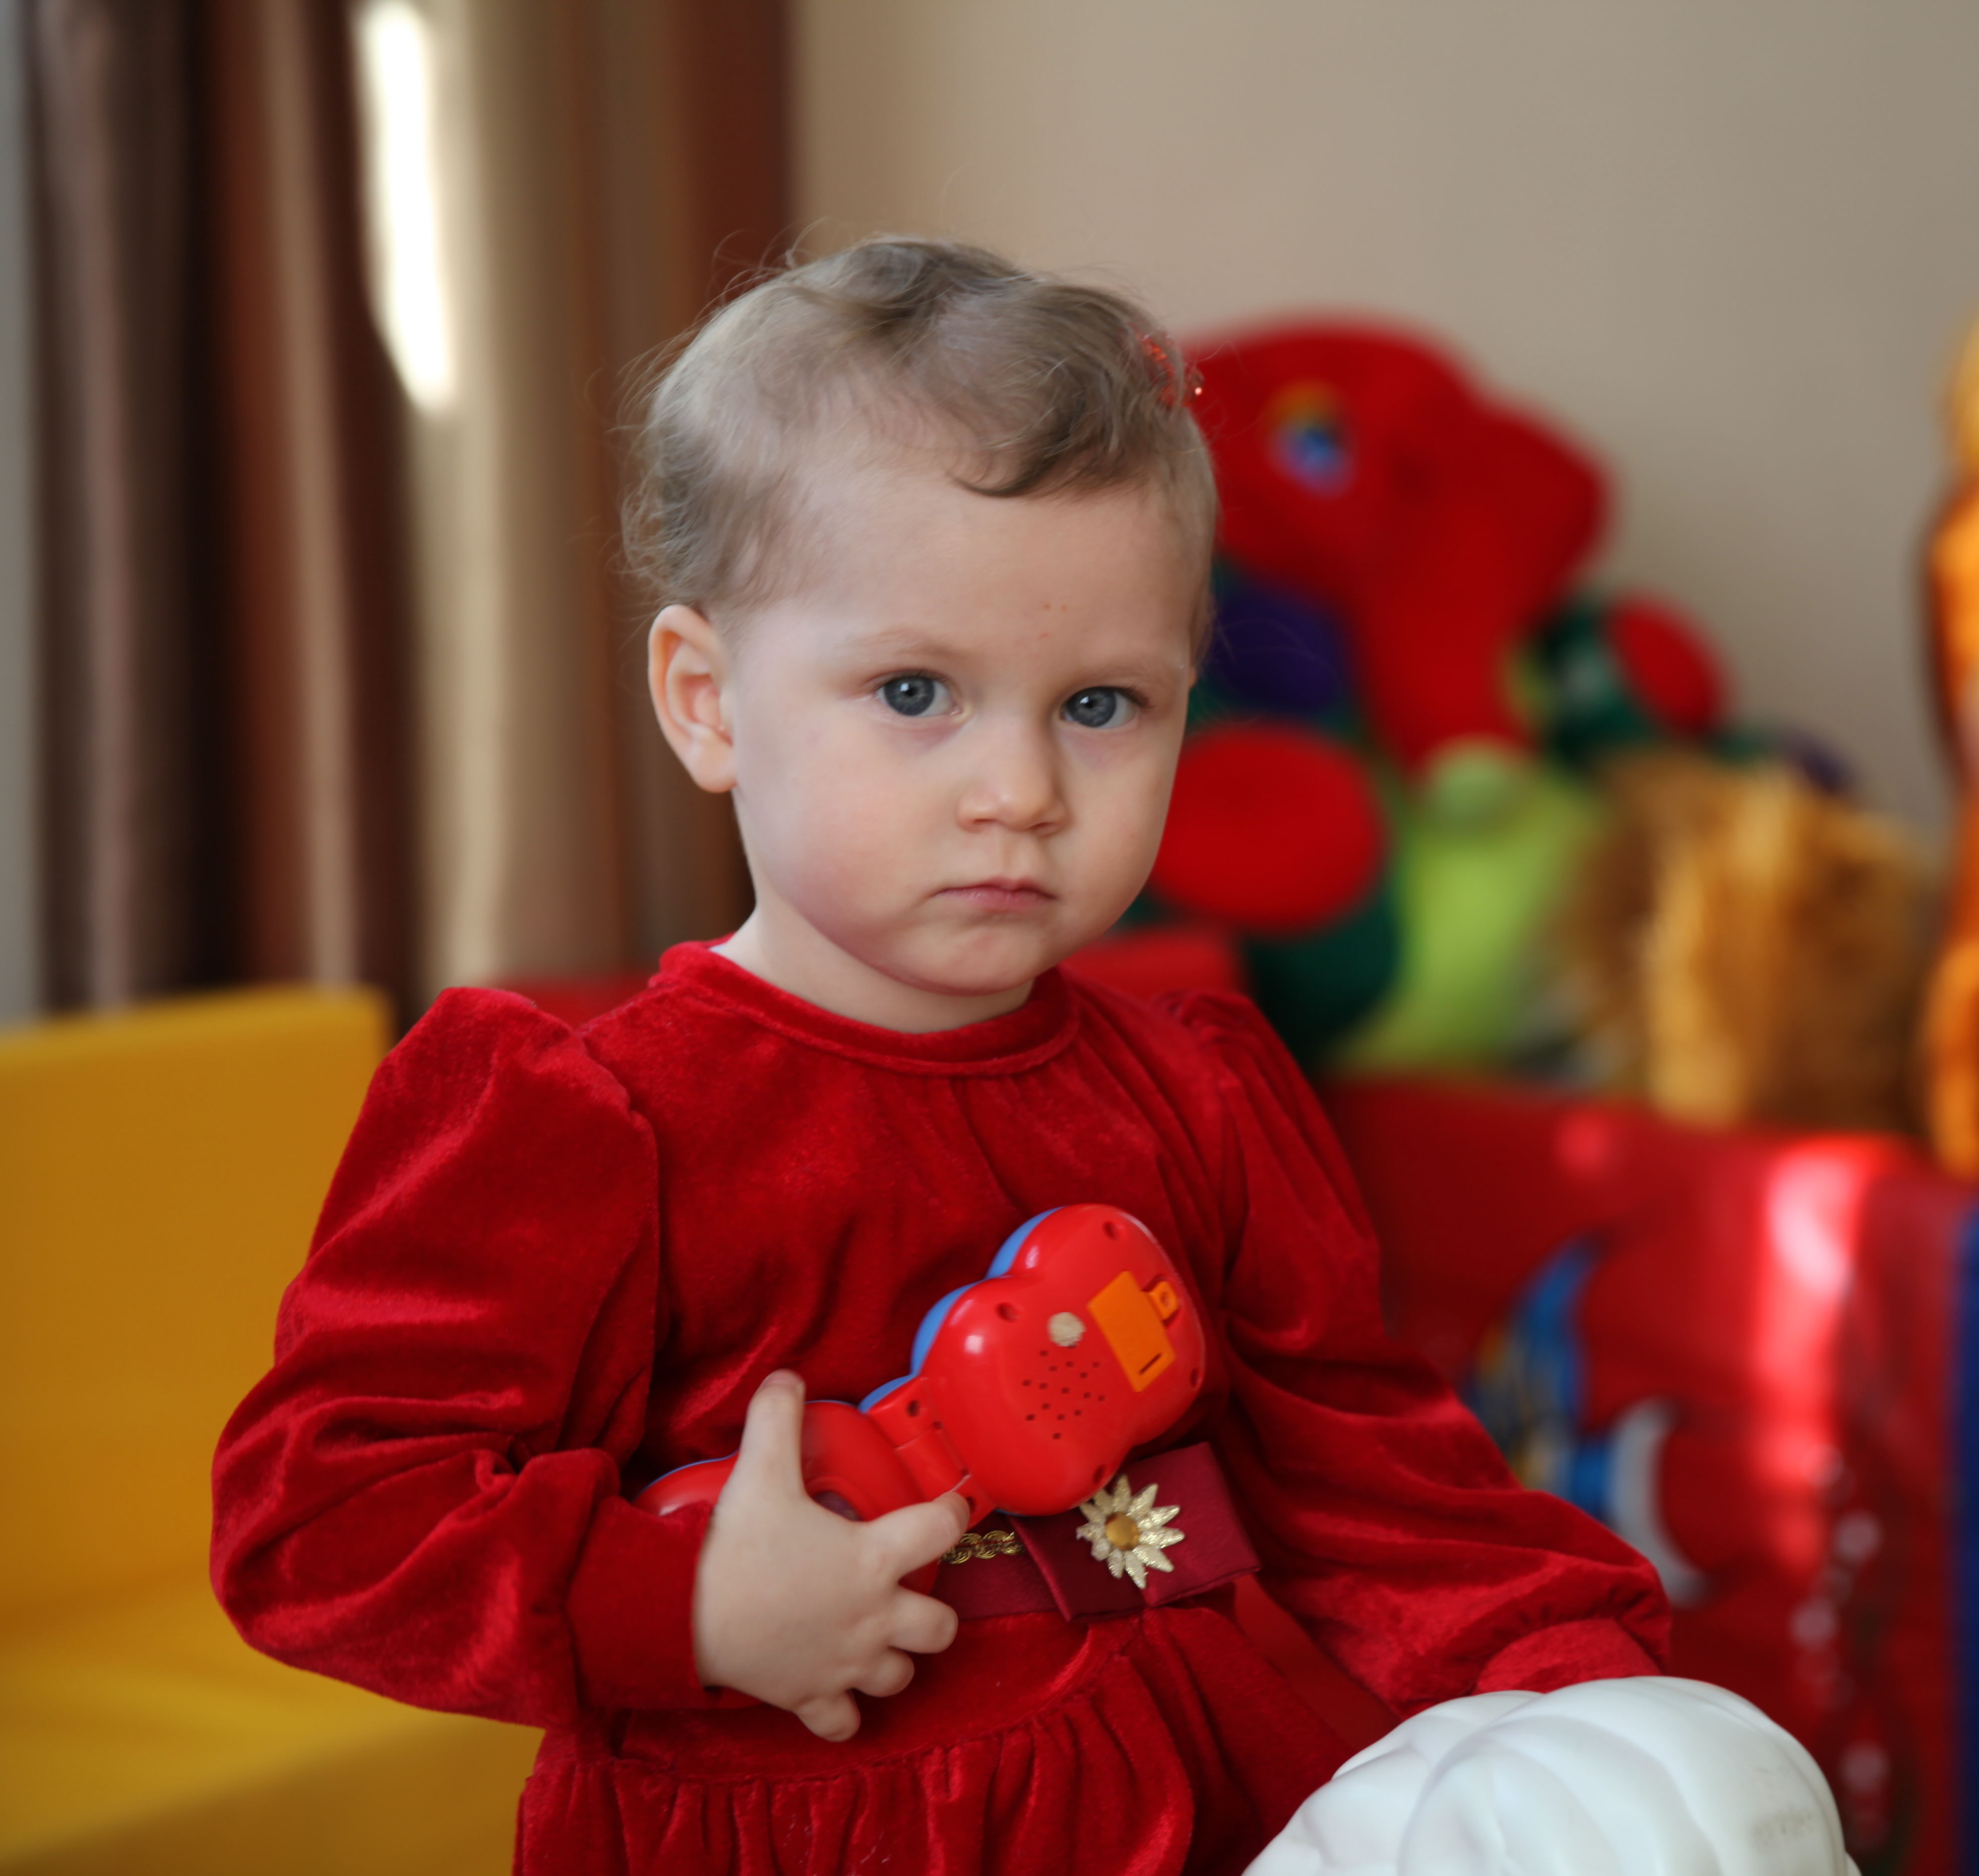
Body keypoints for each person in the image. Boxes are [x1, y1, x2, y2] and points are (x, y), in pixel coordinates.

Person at [210, 239, 1668, 1876]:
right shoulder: (586, 1120)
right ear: (707, 702)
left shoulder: (1197, 1089)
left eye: (1102, 707)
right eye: (918, 691)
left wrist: (1588, 1694)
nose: (1022, 792)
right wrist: (680, 1602)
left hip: (1210, 1802)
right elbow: (317, 1522)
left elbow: (1375, 1484)